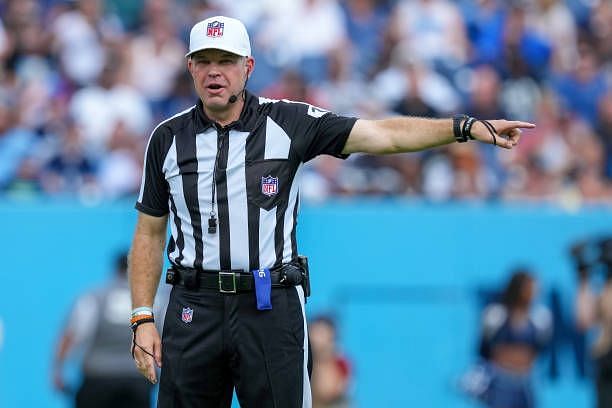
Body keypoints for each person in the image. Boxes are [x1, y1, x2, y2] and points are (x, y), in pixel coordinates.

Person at [129, 15, 534, 408]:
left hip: (269, 306)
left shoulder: (288, 121)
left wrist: (463, 127)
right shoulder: (167, 139)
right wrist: (142, 317)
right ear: (190, 67)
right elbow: (149, 233)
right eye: (204, 61)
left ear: (247, 67)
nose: (214, 72)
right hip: (193, 306)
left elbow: (383, 135)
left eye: (225, 61)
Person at [52, 251, 165, 408]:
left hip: (97, 380)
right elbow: (163, 338)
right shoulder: (153, 301)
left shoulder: (94, 298)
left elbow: (72, 336)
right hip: (137, 382)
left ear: (115, 269)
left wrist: (58, 370)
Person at [477, 269, 552, 408]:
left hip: (525, 384)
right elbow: (487, 349)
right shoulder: (496, 316)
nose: (534, 292)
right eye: (530, 287)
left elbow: (536, 352)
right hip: (500, 385)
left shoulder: (540, 318)